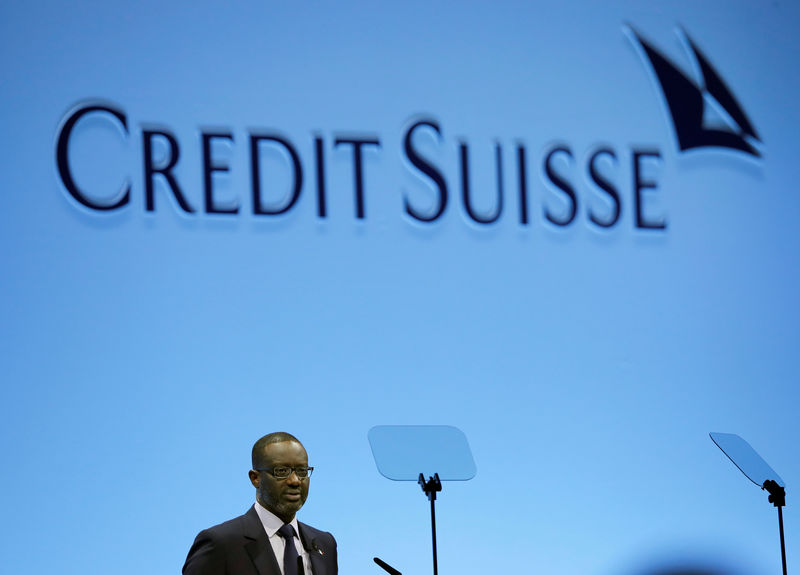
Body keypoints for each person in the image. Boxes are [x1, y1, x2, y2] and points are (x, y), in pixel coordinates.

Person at [183, 432, 338, 575]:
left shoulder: (324, 544)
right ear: (255, 478)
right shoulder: (220, 544)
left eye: (302, 471)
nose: (295, 481)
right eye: (281, 471)